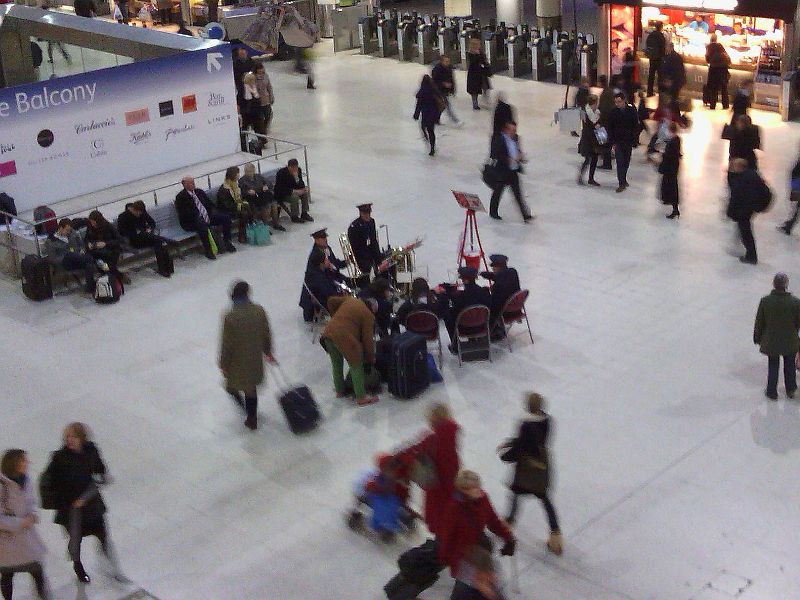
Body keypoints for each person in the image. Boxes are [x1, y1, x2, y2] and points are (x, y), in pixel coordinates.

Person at [42, 423, 124, 584]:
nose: (70, 440)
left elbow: (100, 470)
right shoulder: (59, 458)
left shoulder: (91, 451)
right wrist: (63, 501)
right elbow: (47, 483)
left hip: (91, 505)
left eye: (74, 437)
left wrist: (101, 479)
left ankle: (112, 567)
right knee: (75, 540)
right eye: (67, 437)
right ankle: (78, 567)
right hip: (71, 508)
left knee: (103, 535)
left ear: (82, 438)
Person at [498, 392, 563, 556]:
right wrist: (513, 441)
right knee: (544, 498)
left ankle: (508, 523)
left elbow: (521, 446)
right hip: (542, 464)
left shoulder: (525, 425)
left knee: (515, 493)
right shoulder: (548, 420)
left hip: (526, 467)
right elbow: (535, 441)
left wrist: (506, 455)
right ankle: (555, 535)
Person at [438, 470, 515, 599]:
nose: (478, 490)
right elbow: (448, 536)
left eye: (478, 486)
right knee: (467, 590)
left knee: (489, 587)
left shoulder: (483, 500)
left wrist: (508, 538)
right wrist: (445, 557)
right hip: (463, 555)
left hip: (481, 552)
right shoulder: (454, 508)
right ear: (463, 490)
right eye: (473, 488)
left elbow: (493, 521)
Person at [219, 280, 275, 430]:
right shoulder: (259, 310)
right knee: (251, 389)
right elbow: (266, 333)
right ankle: (252, 417)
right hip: (254, 357)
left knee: (231, 387)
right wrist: (268, 351)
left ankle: (248, 413)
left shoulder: (230, 317)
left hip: (237, 360)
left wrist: (223, 364)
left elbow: (226, 344)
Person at [401, 402, 460, 537]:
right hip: (452, 476)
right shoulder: (452, 433)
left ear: (432, 420)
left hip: (436, 480)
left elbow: (417, 450)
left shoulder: (431, 438)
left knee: (437, 509)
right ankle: (454, 526)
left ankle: (441, 535)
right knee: (451, 503)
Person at [0, 449, 49, 600]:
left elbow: (32, 502)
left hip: (27, 539)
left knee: (37, 570)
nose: (27, 463)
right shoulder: (2, 486)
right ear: (14, 463)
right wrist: (22, 522)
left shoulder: (26, 480)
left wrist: (33, 514)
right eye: (23, 460)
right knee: (8, 574)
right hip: (8, 541)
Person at [321, 295, 379, 406]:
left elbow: (331, 300)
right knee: (356, 365)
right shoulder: (368, 315)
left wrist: (335, 316)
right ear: (372, 308)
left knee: (336, 364)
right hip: (344, 338)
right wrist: (371, 359)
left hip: (328, 334)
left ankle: (340, 390)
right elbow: (368, 341)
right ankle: (361, 397)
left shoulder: (351, 299)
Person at [753, 273, 800, 400]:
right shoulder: (796, 302)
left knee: (773, 365)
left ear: (774, 284)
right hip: (790, 341)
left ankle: (771, 391)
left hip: (771, 341)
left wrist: (757, 337)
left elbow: (760, 321)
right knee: (789, 365)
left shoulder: (765, 301)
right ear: (786, 285)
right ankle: (790, 389)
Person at [175, 176, 236, 260]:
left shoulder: (199, 192)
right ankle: (208, 251)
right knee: (202, 226)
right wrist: (199, 216)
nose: (193, 184)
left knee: (226, 218)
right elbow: (184, 214)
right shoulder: (180, 197)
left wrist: (213, 212)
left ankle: (227, 242)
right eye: (190, 183)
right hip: (192, 221)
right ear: (184, 185)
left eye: (193, 182)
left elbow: (209, 204)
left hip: (207, 216)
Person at [488, 121, 532, 221]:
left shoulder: (516, 138)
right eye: (511, 129)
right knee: (498, 192)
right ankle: (493, 212)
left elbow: (518, 150)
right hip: (502, 171)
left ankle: (525, 215)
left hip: (513, 171)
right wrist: (509, 159)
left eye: (514, 130)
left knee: (518, 194)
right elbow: (495, 154)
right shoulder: (498, 139)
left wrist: (521, 157)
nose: (513, 132)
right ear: (506, 129)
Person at [116, 200, 173, 277]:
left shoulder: (142, 212)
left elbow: (152, 222)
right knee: (158, 241)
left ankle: (165, 269)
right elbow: (122, 233)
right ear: (133, 209)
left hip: (147, 236)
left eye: (141, 213)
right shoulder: (123, 217)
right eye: (138, 213)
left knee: (158, 243)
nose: (139, 214)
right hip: (134, 240)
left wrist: (149, 229)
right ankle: (165, 268)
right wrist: (136, 232)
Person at [442, 266, 492, 351]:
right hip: (482, 325)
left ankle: (455, 346)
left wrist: (448, 293)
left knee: (447, 316)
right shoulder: (484, 292)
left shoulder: (460, 297)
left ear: (465, 280)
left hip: (465, 328)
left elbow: (455, 311)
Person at [726, 158, 764, 265]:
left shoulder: (742, 180)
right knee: (745, 230)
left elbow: (736, 196)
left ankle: (751, 256)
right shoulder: (751, 175)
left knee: (745, 231)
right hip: (749, 208)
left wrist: (731, 212)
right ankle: (750, 253)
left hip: (745, 209)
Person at [44, 219, 97, 293]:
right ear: (60, 228)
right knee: (71, 255)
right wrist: (65, 256)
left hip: (78, 258)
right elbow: (52, 259)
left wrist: (82, 250)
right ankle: (91, 259)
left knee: (88, 264)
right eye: (67, 230)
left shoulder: (72, 233)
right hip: (64, 262)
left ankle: (90, 288)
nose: (68, 232)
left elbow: (81, 245)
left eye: (70, 230)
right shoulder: (51, 241)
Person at [606, 92, 639, 193]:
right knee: (620, 162)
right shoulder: (613, 113)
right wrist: (612, 142)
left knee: (626, 162)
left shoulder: (632, 111)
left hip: (628, 141)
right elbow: (610, 127)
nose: (617, 104)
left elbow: (635, 125)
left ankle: (623, 179)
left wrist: (635, 139)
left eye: (619, 102)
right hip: (618, 141)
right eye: (616, 102)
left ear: (624, 100)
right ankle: (621, 183)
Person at [85, 210, 127, 283]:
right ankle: (115, 276)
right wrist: (88, 243)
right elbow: (86, 238)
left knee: (107, 263)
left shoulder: (108, 226)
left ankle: (114, 277)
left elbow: (120, 240)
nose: (92, 224)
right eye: (91, 222)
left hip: (111, 250)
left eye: (93, 222)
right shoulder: (90, 227)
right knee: (93, 259)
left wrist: (105, 243)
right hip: (96, 251)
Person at [300, 248, 342, 322]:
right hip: (321, 306)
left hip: (320, 300)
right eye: (326, 259)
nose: (328, 261)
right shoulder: (319, 279)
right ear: (321, 263)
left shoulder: (316, 271)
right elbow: (330, 294)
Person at [239, 163, 283, 231]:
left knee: (273, 204)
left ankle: (276, 223)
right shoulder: (242, 180)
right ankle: (265, 226)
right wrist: (249, 192)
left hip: (263, 194)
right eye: (247, 171)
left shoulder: (258, 176)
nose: (249, 173)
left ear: (254, 171)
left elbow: (269, 183)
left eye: (250, 171)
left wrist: (266, 186)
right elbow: (243, 192)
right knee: (267, 205)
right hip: (253, 198)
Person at [347, 203, 383, 284]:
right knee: (369, 270)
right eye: (365, 213)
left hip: (370, 252)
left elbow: (373, 240)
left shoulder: (371, 222)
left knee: (383, 263)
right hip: (360, 257)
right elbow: (355, 248)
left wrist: (378, 258)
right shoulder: (354, 227)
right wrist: (370, 259)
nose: (367, 216)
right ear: (360, 213)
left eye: (368, 213)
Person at [216, 166, 253, 243]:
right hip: (226, 210)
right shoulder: (224, 189)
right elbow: (226, 205)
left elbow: (240, 197)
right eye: (237, 174)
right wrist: (239, 205)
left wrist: (243, 202)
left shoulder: (236, 185)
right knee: (244, 213)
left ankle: (248, 231)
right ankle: (242, 235)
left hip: (235, 207)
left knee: (248, 207)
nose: (239, 175)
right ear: (233, 175)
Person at [480, 254, 520, 325]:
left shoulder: (498, 285)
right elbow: (500, 277)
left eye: (493, 267)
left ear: (498, 267)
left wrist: (484, 292)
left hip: (505, 313)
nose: (492, 269)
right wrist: (486, 274)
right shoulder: (513, 272)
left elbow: (494, 303)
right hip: (516, 309)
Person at [273, 159, 312, 223]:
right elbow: (280, 188)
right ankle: (294, 216)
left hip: (294, 190)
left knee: (305, 193)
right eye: (292, 168)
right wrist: (294, 191)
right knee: (294, 197)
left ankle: (304, 213)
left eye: (296, 167)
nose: (294, 169)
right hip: (282, 194)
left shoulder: (298, 170)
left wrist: (297, 179)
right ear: (288, 167)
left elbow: (301, 185)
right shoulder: (281, 173)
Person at [413, 75, 442, 157]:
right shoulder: (434, 90)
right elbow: (440, 102)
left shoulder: (422, 92)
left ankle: (426, 137)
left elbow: (419, 105)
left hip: (426, 114)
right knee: (431, 131)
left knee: (423, 127)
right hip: (434, 114)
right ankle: (432, 148)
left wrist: (416, 114)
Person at [658, 122, 682, 219]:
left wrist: (662, 153)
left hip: (670, 169)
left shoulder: (673, 141)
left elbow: (670, 155)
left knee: (671, 188)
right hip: (672, 168)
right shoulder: (676, 140)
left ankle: (674, 208)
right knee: (671, 187)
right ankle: (674, 207)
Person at [577, 94, 601, 186]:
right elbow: (589, 126)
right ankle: (581, 177)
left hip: (593, 140)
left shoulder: (595, 112)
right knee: (588, 159)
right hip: (588, 140)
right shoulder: (587, 113)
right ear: (594, 103)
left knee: (594, 158)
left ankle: (591, 178)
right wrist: (596, 125)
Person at [431, 55, 461, 126]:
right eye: (446, 61)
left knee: (442, 106)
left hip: (445, 90)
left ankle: (435, 119)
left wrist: (453, 89)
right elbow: (434, 81)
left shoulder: (449, 68)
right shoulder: (437, 69)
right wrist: (443, 84)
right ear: (441, 61)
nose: (448, 63)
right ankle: (456, 120)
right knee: (447, 105)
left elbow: (451, 79)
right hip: (438, 90)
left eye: (448, 61)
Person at [705, 34, 731, 110]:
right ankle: (725, 105)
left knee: (714, 88)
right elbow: (727, 56)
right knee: (724, 87)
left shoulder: (709, 47)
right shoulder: (720, 46)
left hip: (714, 69)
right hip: (723, 69)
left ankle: (713, 105)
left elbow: (707, 58)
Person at [778, 150, 800, 235]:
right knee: (797, 207)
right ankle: (789, 225)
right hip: (796, 183)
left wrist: (794, 188)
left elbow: (796, 173)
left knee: (797, 206)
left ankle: (789, 226)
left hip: (797, 184)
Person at [597, 75, 616, 170]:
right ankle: (606, 161)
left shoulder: (605, 93)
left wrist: (599, 120)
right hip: (610, 121)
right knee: (607, 142)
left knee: (604, 142)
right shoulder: (610, 91)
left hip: (606, 122)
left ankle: (606, 163)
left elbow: (603, 108)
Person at [466, 37, 490, 110]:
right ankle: (475, 104)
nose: (479, 45)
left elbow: (484, 61)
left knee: (485, 86)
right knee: (474, 90)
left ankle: (485, 99)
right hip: (474, 74)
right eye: (478, 44)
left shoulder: (480, 52)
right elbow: (473, 63)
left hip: (481, 73)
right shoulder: (470, 53)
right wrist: (477, 55)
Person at [644, 22, 666, 97]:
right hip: (659, 58)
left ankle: (649, 92)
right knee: (660, 76)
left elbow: (647, 44)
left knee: (651, 75)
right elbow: (663, 47)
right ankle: (661, 92)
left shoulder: (651, 35)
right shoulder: (661, 36)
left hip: (652, 58)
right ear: (661, 27)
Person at [254, 64, 274, 133]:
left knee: (269, 115)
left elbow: (269, 87)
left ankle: (265, 128)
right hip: (258, 102)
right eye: (259, 73)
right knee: (260, 118)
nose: (261, 74)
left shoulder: (266, 76)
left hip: (266, 100)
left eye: (263, 72)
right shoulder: (253, 78)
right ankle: (262, 130)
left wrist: (271, 97)